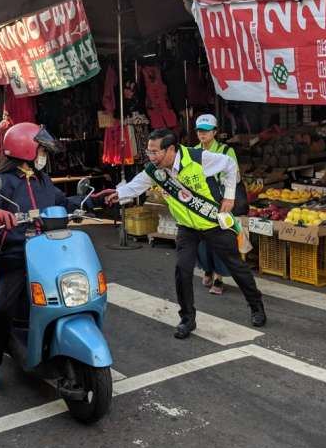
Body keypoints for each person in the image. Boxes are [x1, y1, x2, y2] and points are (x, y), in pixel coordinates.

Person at [107, 128, 266, 339]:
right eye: (149, 152)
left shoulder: (200, 158)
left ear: (171, 149)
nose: (151, 157)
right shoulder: (156, 170)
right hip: (187, 227)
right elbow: (137, 185)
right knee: (182, 270)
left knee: (235, 265)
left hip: (212, 222)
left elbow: (229, 165)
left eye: (155, 152)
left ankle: (256, 306)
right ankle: (187, 319)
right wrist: (118, 194)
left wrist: (229, 197)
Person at [0, 122, 83, 393]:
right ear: (26, 149)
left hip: (50, 251)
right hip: (16, 253)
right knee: (2, 309)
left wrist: (88, 200)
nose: (44, 155)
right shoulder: (2, 182)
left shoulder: (43, 180)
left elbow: (62, 203)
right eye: (41, 149)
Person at [194, 114, 244, 296]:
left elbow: (235, 176)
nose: (203, 135)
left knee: (219, 240)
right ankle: (207, 269)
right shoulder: (193, 151)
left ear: (215, 132)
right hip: (199, 202)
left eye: (206, 131)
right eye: (200, 131)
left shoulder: (225, 151)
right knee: (202, 239)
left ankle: (218, 278)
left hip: (220, 202)